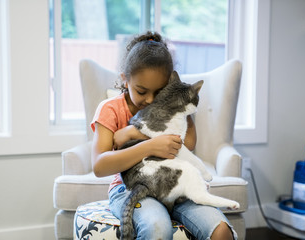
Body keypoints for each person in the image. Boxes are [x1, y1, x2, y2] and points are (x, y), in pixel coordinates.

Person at [91, 31, 236, 240]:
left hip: (175, 185)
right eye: (141, 91)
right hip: (132, 188)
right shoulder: (110, 109)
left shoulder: (170, 104)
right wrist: (149, 145)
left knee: (220, 229)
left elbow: (189, 143)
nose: (150, 99)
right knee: (157, 227)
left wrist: (177, 100)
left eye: (159, 92)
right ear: (125, 79)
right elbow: (99, 166)